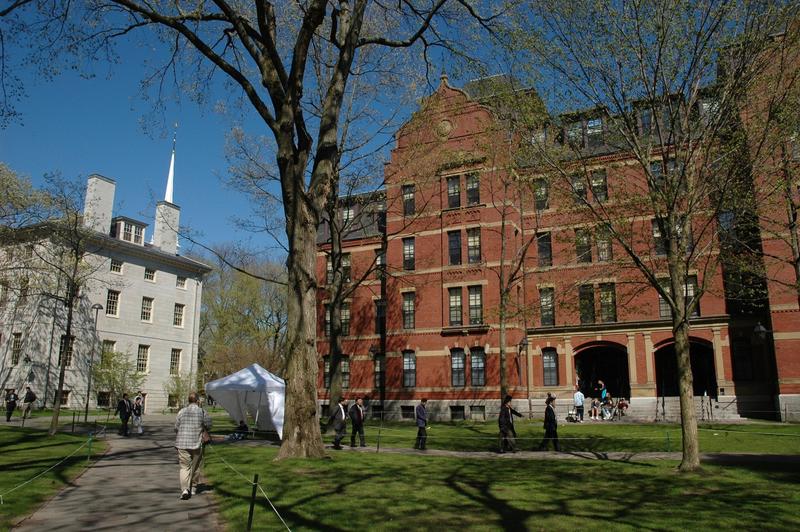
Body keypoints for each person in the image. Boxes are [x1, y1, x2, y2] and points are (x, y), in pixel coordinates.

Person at [175, 392, 212, 500]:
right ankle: (194, 487)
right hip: (196, 443)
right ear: (197, 401)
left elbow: (176, 427)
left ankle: (185, 489)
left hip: (182, 443)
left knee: (184, 467)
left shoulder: (181, 411)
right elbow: (209, 425)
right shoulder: (202, 411)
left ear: (188, 400)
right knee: (195, 466)